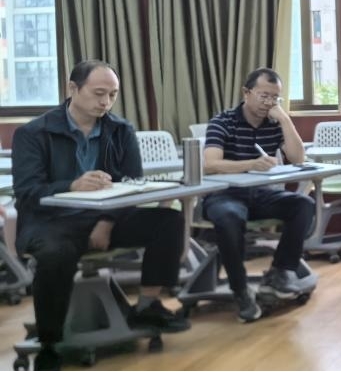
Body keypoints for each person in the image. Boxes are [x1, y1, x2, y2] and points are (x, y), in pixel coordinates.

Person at [13, 60, 188, 370]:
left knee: (169, 221)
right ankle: (50, 342)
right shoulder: (33, 133)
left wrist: (107, 221)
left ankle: (148, 305)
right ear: (72, 88)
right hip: (51, 222)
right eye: (98, 93)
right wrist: (71, 185)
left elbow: (132, 184)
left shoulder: (120, 130)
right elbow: (28, 192)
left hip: (105, 217)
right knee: (54, 254)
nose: (106, 102)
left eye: (113, 94)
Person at [202, 67, 314, 322]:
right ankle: (240, 290)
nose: (269, 103)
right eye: (264, 96)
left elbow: (299, 158)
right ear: (246, 93)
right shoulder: (223, 121)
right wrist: (251, 164)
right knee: (229, 217)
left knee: (303, 204)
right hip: (224, 195)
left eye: (275, 98)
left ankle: (280, 272)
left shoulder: (273, 124)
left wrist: (285, 119)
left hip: (260, 195)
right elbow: (210, 164)